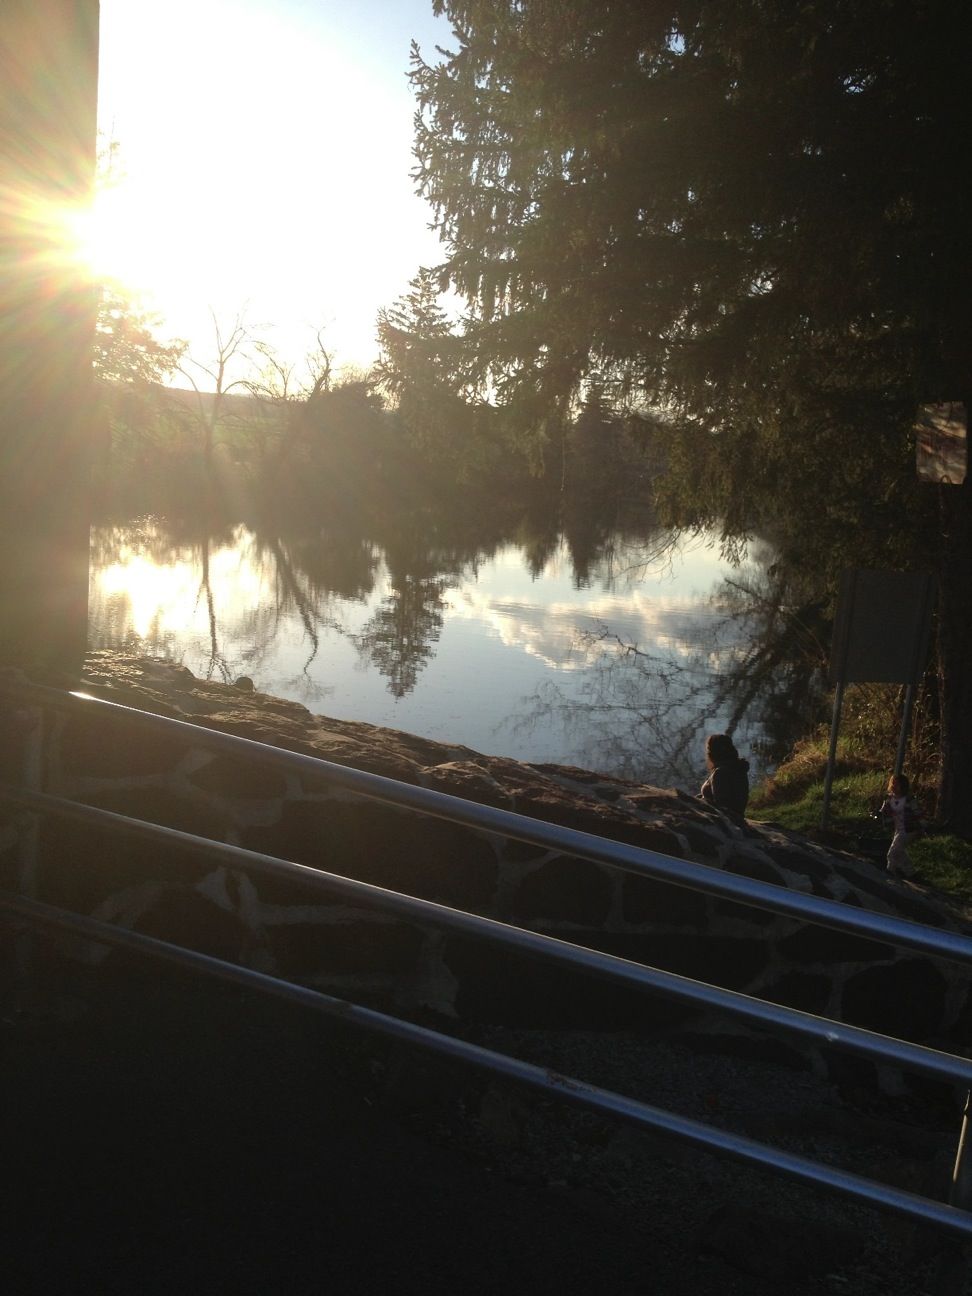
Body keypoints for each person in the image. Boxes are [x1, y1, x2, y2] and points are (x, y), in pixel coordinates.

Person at [878, 773, 922, 879]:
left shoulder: (909, 800)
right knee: (898, 852)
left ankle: (890, 873)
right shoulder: (889, 799)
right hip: (898, 830)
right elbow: (883, 812)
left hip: (909, 829)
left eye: (897, 784)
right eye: (893, 783)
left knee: (892, 852)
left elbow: (918, 814)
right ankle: (910, 873)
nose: (894, 786)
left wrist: (924, 826)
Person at [699, 733, 750, 816]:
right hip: (737, 816)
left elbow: (722, 807)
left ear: (713, 752)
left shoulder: (720, 773)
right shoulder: (737, 767)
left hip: (725, 821)